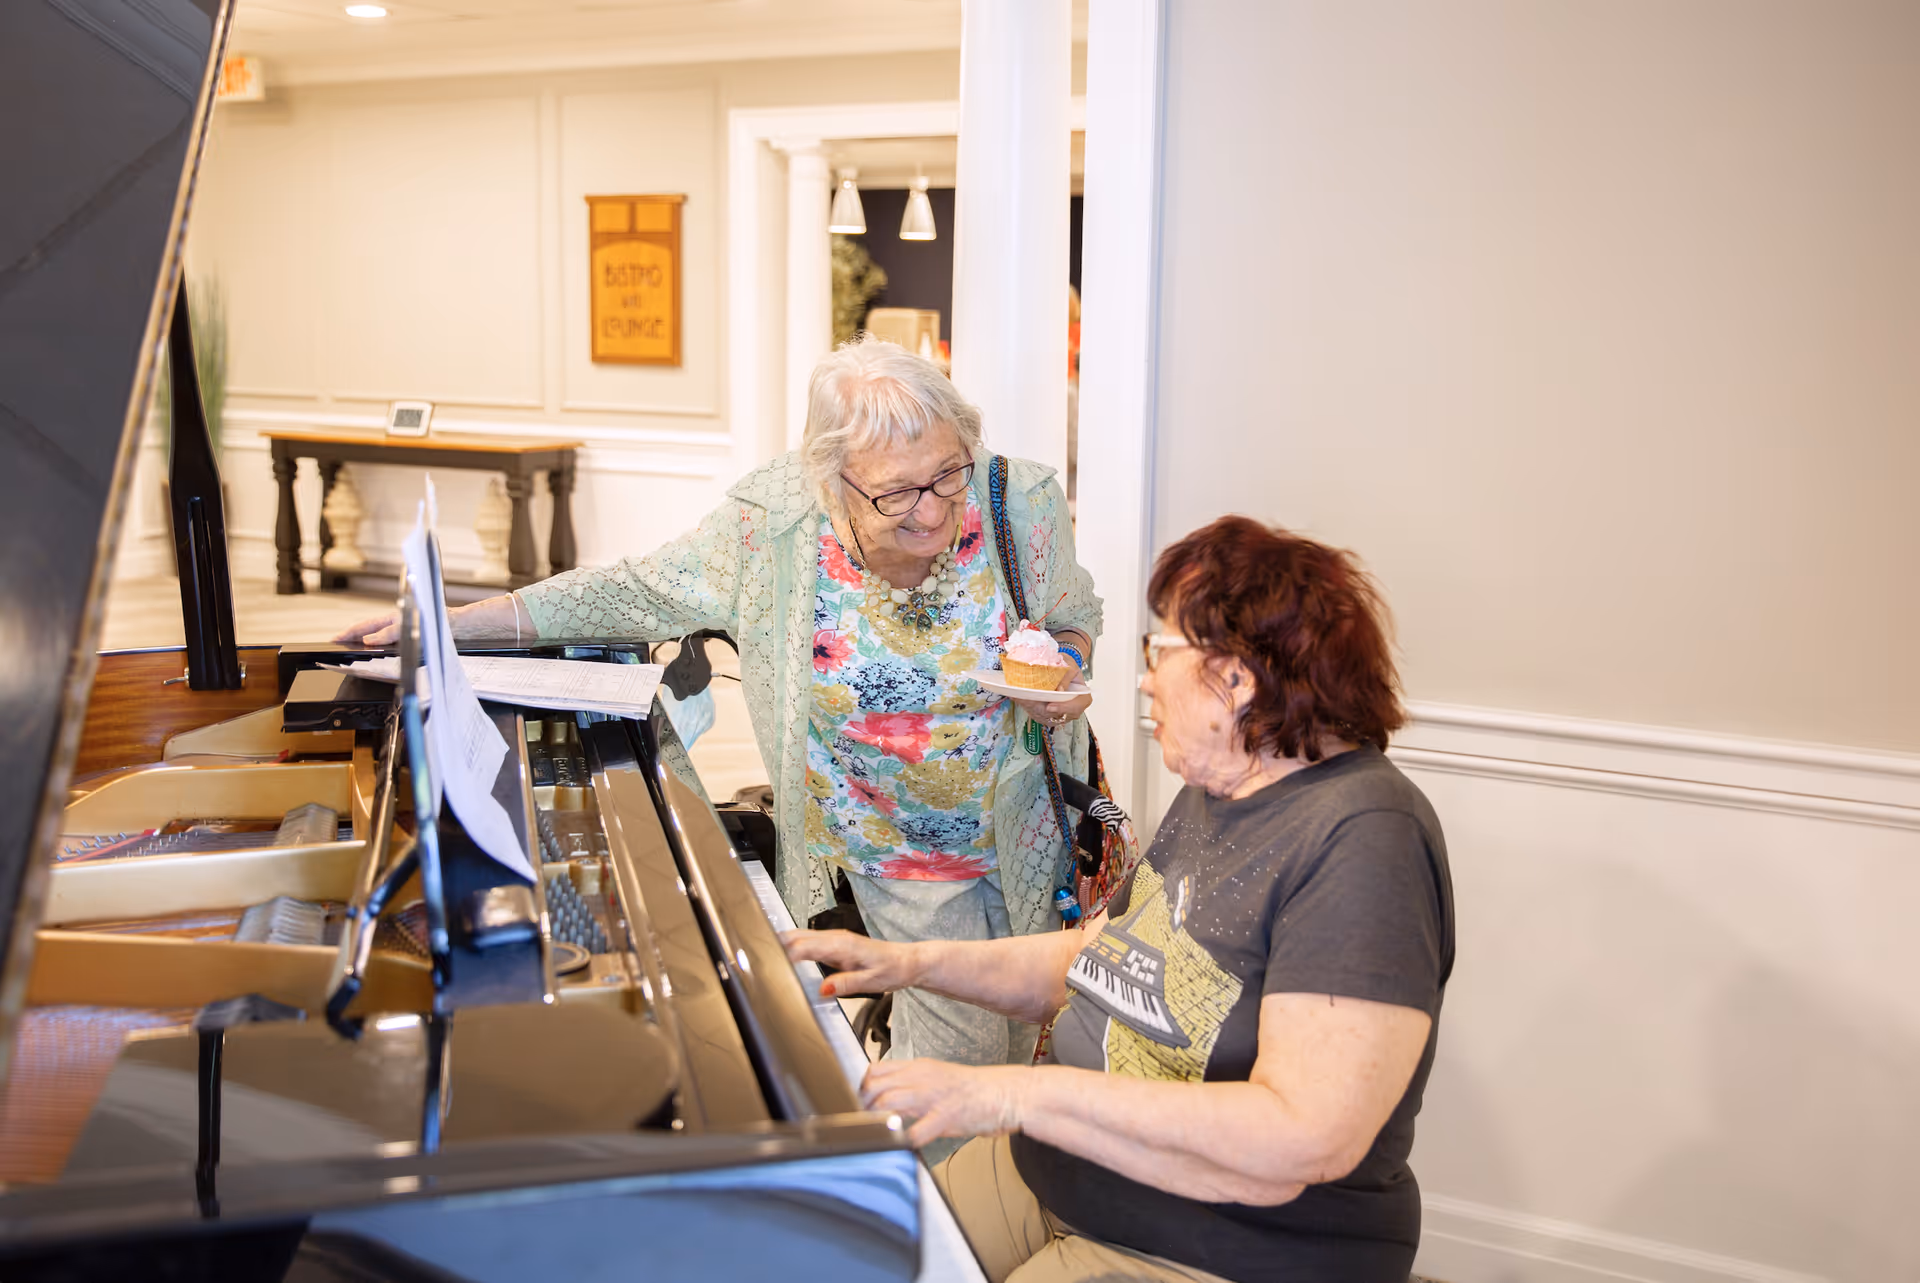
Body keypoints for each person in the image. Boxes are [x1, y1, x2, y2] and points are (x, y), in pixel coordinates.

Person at [339, 339, 1102, 1084]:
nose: (932, 510)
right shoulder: (770, 525)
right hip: (889, 837)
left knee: (1026, 1031)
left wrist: (1066, 662)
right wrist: (460, 621)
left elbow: (1073, 612)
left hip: (1023, 821)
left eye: (946, 476)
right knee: (957, 1051)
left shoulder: (1021, 501)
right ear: (833, 477)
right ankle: (886, 1190)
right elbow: (636, 590)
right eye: (896, 492)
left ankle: (982, 1199)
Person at [785, 516, 1455, 1283]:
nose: (1144, 674)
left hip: (1222, 1243)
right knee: (834, 1257)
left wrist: (1007, 1093)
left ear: (1235, 678)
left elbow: (1304, 1135)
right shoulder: (1220, 787)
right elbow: (1093, 956)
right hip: (1067, 1170)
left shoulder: (1366, 837)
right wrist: (907, 963)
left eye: (1161, 648)